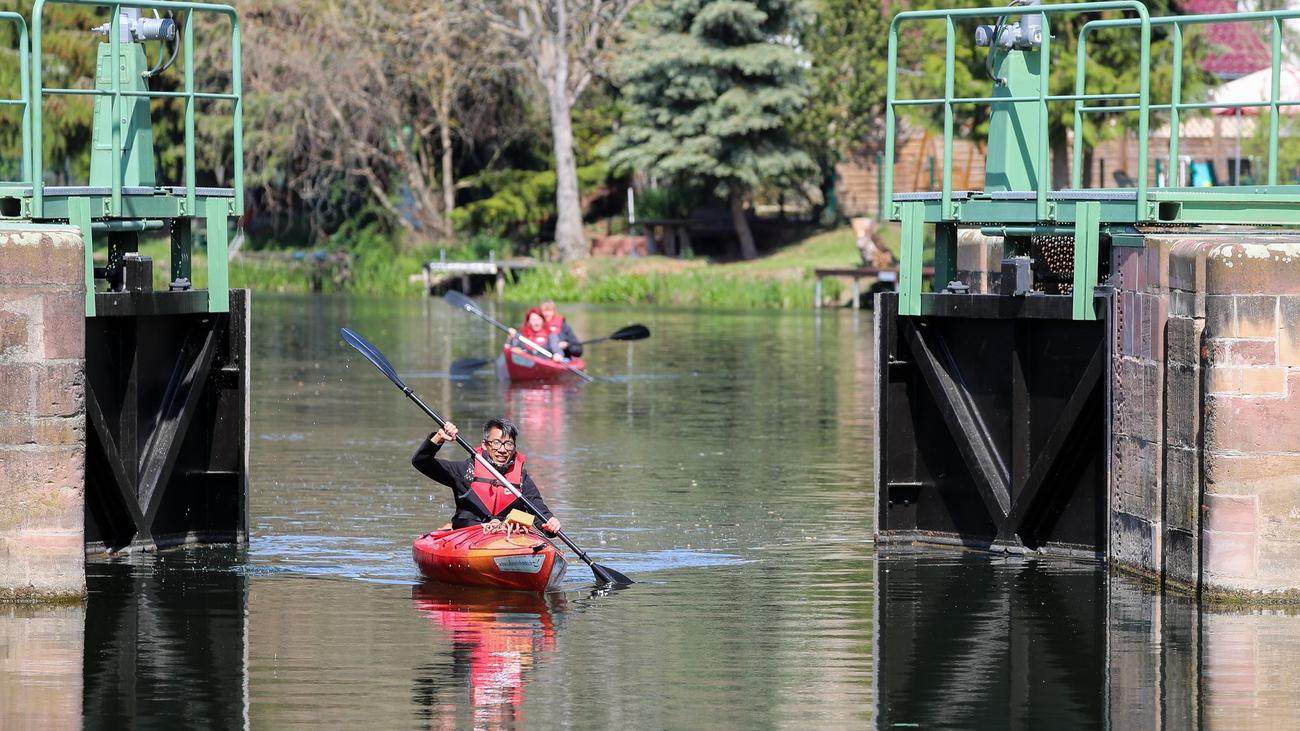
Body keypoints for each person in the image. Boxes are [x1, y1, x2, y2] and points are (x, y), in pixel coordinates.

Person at [411, 417, 562, 534]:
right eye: (496, 443)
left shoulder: (522, 478)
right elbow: (421, 462)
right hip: (468, 538)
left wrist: (549, 523)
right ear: (484, 444)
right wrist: (439, 437)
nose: (503, 450)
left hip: (507, 537)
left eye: (508, 444)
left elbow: (539, 510)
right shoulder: (465, 471)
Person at [508, 301, 582, 362]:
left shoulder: (552, 333)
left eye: (549, 310)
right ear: (529, 321)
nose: (536, 323)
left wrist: (566, 347)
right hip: (526, 360)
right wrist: (510, 339)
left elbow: (559, 349)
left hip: (547, 358)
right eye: (533, 319)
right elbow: (510, 348)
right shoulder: (522, 333)